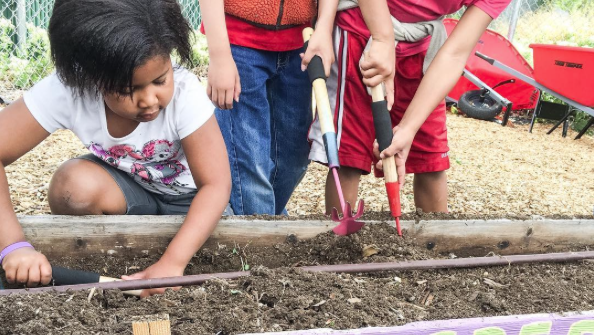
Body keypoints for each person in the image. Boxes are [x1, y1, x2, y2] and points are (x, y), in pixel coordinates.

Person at [0, 0, 231, 297]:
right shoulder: (69, 90)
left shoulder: (186, 95)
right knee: (72, 187)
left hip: (189, 200)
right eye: (128, 89)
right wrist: (14, 247)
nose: (149, 100)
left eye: (160, 80)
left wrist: (172, 262)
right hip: (130, 193)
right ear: (89, 77)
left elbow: (216, 185)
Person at [309, 0, 511, 214]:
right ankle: (340, 242)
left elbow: (455, 53)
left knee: (431, 159)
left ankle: (435, 241)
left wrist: (408, 128)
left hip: (421, 47)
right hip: (361, 31)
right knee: (350, 157)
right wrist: (382, 38)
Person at [200, 0, 337, 216]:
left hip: (300, 42)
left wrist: (324, 26)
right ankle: (258, 237)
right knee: (249, 160)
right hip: (239, 42)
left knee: (295, 157)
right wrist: (219, 55)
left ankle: (263, 217)